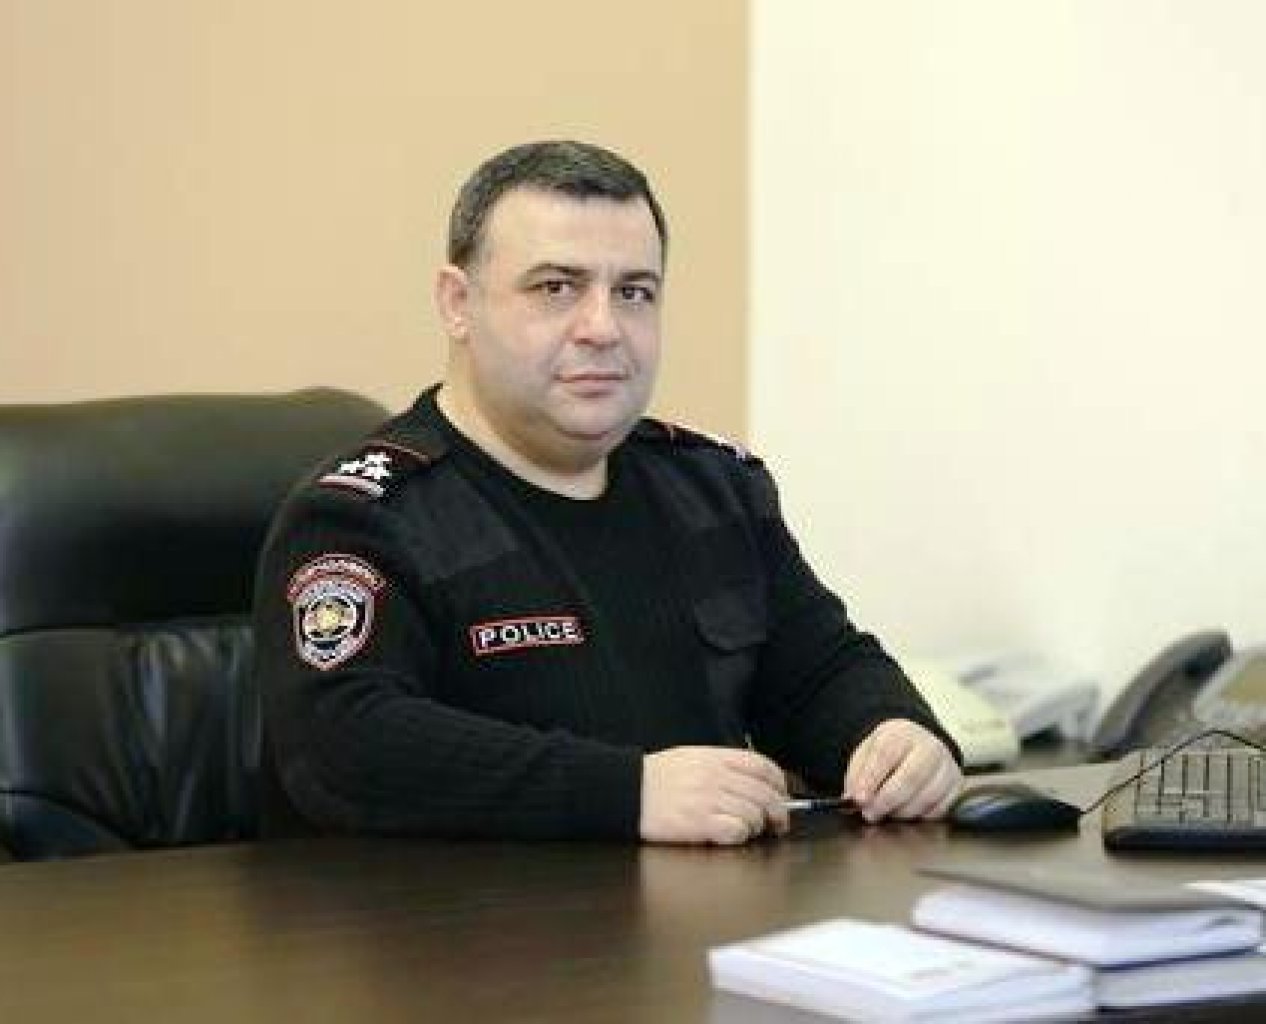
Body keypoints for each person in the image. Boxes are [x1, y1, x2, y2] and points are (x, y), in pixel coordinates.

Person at [253, 140, 962, 845]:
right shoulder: (362, 517)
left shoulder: (714, 490)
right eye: (556, 288)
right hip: (457, 915)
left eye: (634, 293)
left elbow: (819, 670)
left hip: (694, 906)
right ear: (457, 303)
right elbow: (341, 745)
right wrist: (626, 792)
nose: (604, 328)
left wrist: (893, 732)